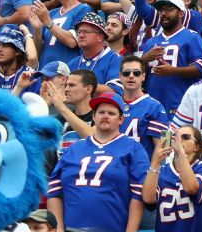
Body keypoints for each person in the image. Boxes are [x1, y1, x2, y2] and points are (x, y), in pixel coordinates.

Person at [47, 94, 150, 232]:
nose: (105, 116)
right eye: (101, 112)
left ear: (121, 119)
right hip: (72, 228)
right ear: (94, 117)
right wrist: (58, 228)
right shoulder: (74, 148)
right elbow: (54, 191)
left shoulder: (133, 148)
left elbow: (138, 196)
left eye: (111, 113)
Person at [140, 124, 202, 232]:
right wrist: (156, 163)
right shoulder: (161, 170)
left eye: (185, 137)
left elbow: (191, 188)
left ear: (197, 147)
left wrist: (181, 153)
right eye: (175, 136)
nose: (179, 140)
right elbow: (148, 199)